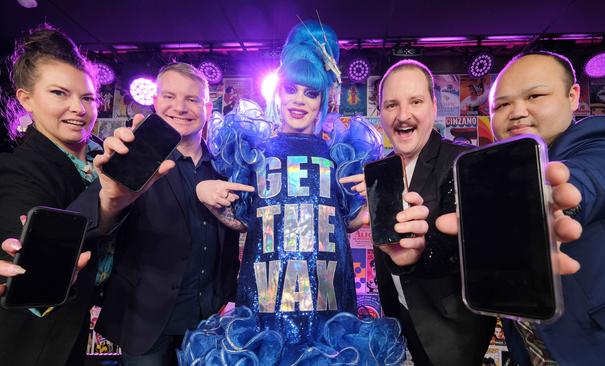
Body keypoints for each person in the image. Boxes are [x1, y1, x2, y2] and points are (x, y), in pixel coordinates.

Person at [183, 20, 405, 365]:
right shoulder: (253, 151)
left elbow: (349, 222)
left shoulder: (341, 153)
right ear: (279, 92)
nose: (299, 100)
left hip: (329, 309)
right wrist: (202, 192)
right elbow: (241, 222)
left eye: (311, 92)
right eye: (291, 89)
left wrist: (384, 196)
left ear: (324, 99)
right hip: (264, 309)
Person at [68, 62, 241, 365]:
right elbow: (86, 221)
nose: (180, 107)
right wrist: (112, 192)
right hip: (143, 322)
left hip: (208, 324)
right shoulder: (133, 155)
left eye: (192, 99)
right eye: (170, 96)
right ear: (156, 101)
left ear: (208, 107)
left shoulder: (226, 167)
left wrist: (225, 296)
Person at [485, 50, 605, 365]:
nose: (517, 112)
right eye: (502, 104)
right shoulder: (498, 178)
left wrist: (555, 195)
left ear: (572, 96)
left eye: (535, 95)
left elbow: (599, 177)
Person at [342, 59, 497, 365]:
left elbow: (466, 245)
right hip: (399, 319)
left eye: (415, 101)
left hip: (451, 331)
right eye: (391, 105)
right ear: (381, 113)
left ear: (433, 106)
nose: (403, 115)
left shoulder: (463, 161)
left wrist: (420, 249)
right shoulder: (379, 169)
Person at [0, 25, 99, 365]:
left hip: (73, 335)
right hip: (29, 346)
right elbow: (25, 267)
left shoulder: (97, 162)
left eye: (88, 98)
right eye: (60, 93)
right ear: (25, 98)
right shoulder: (17, 170)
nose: (79, 109)